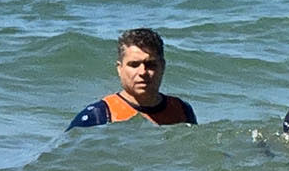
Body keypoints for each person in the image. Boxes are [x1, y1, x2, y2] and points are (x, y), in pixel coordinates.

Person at [68, 28, 197, 129]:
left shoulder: (181, 110)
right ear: (120, 68)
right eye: (134, 65)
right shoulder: (97, 116)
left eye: (150, 64)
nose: (143, 72)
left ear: (162, 66)